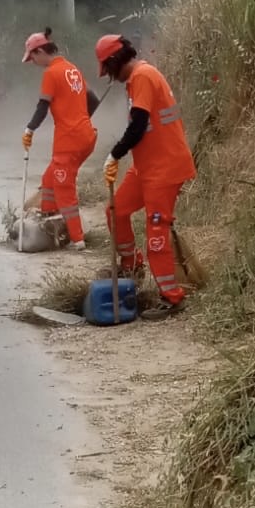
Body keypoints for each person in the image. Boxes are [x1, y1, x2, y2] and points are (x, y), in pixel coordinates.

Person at [96, 34, 197, 318]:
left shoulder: (143, 76)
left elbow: (139, 125)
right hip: (147, 167)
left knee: (156, 234)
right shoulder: (135, 80)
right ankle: (132, 266)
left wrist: (115, 154)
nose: (110, 77)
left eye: (108, 69)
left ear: (115, 61)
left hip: (164, 169)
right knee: (116, 210)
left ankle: (172, 298)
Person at [22, 29, 99, 250]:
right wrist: (79, 119)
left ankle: (77, 240)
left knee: (64, 189)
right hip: (87, 136)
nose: (33, 63)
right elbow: (93, 99)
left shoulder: (51, 73)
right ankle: (49, 221)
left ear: (40, 51)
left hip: (69, 141)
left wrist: (29, 129)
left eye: (32, 57)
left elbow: (42, 107)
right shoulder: (72, 69)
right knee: (49, 179)